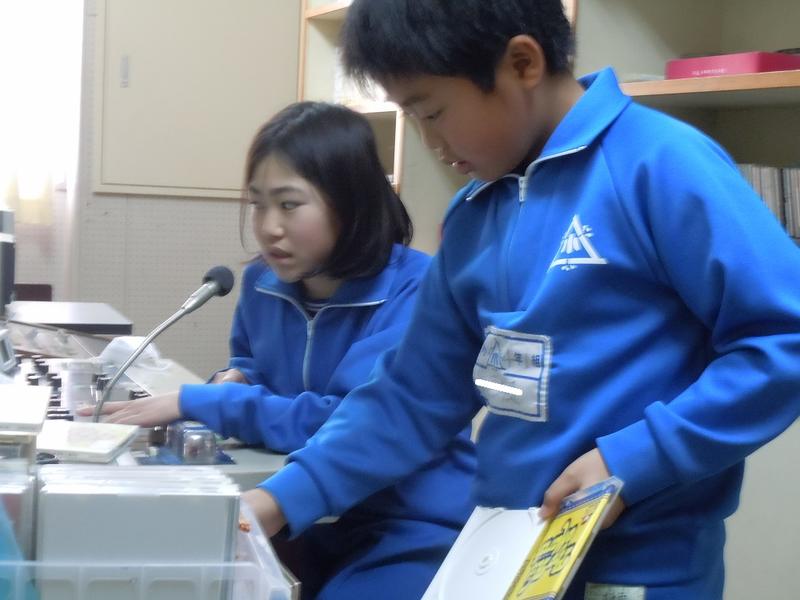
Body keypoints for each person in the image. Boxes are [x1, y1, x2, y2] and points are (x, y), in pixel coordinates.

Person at [229, 1, 800, 599]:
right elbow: (410, 395)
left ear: (522, 63)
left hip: (640, 566)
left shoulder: (658, 164)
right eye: (411, 117)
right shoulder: (474, 214)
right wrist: (282, 497)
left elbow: (783, 339)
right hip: (507, 554)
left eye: (433, 112)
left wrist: (633, 458)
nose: (429, 140)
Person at [87, 101, 476, 600]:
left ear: (351, 202)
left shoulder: (417, 289)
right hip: (306, 521)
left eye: (289, 205)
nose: (269, 226)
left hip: (403, 522)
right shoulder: (261, 283)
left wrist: (204, 401)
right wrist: (235, 380)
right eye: (258, 204)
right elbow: (252, 368)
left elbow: (342, 421)